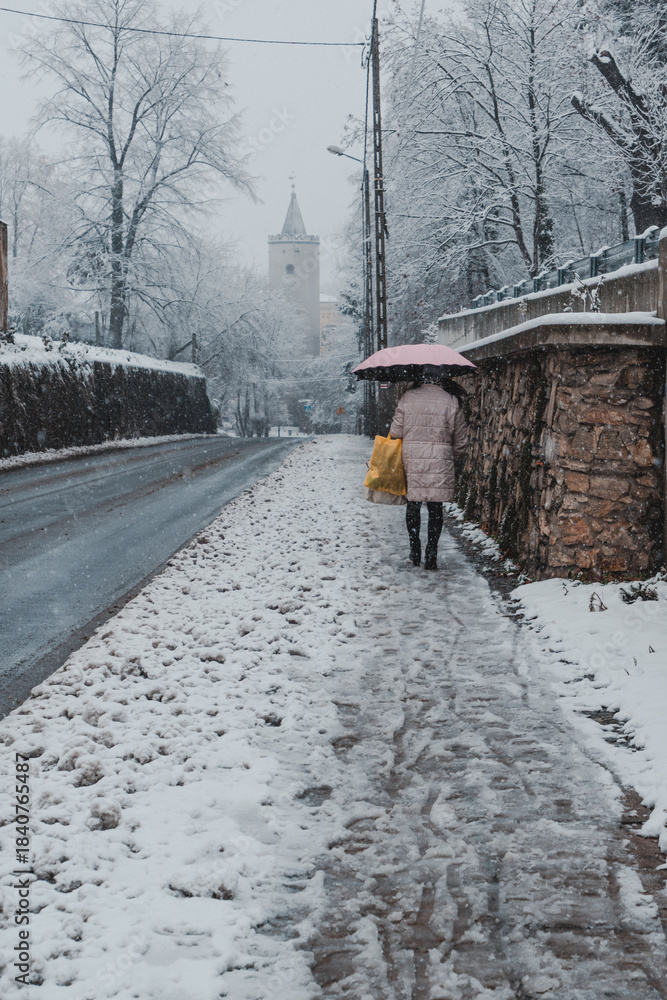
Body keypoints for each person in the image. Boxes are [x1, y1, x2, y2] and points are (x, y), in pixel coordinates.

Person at [389, 365, 468, 570]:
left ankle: (414, 548)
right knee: (435, 508)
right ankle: (431, 552)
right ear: (442, 378)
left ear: (422, 377)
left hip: (412, 459)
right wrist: (454, 456)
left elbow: (396, 432)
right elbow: (460, 442)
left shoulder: (408, 397)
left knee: (413, 505)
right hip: (440, 461)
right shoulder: (451, 401)